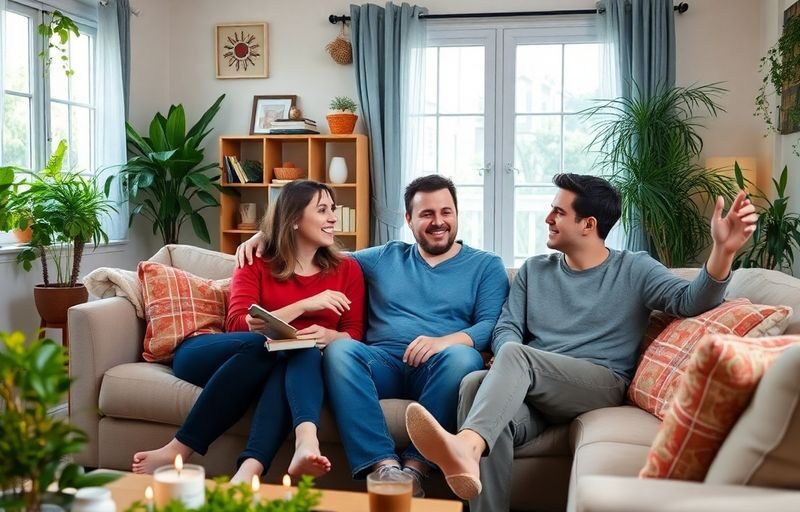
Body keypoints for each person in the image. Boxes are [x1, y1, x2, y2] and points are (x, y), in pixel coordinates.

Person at [404, 173, 758, 511]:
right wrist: (506, 358)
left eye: (559, 212)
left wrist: (722, 251)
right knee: (473, 384)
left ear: (589, 224)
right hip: (534, 389)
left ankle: (465, 444)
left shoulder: (634, 268)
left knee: (515, 357)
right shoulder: (535, 270)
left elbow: (691, 301)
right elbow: (506, 327)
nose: (547, 218)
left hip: (596, 383)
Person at [236, 174, 510, 496]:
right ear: (408, 219)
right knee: (340, 351)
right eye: (427, 214)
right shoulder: (383, 257)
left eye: (446, 212)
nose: (439, 222)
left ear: (457, 214)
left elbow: (489, 325)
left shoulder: (486, 265)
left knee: (463, 356)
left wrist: (443, 342)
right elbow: (314, 245)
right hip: (382, 363)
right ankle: (384, 467)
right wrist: (266, 236)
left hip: (441, 364)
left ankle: (415, 469)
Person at [132, 180, 365, 484]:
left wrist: (331, 337)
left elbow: (355, 333)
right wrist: (305, 305)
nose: (333, 217)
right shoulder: (255, 259)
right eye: (323, 210)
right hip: (211, 352)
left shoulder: (347, 270)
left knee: (298, 353)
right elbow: (238, 324)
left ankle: (248, 471)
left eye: (332, 209)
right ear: (294, 219)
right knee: (260, 345)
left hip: (287, 363)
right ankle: (178, 449)